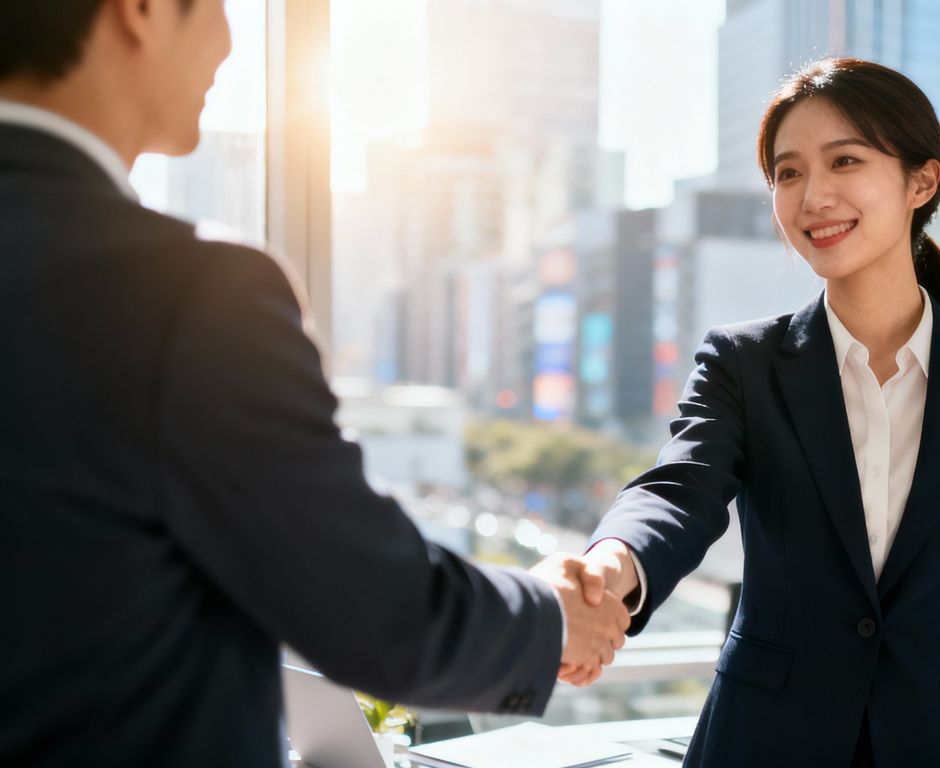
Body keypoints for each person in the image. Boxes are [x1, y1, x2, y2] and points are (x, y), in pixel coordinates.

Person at [0, 1, 626, 764]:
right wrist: (556, 614)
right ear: (142, 11)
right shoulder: (187, 293)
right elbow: (381, 612)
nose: (230, 46)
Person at [562, 58, 940, 766]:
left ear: (922, 180)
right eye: (788, 174)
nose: (812, 196)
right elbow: (680, 491)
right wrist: (611, 566)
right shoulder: (744, 363)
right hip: (767, 742)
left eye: (845, 161)